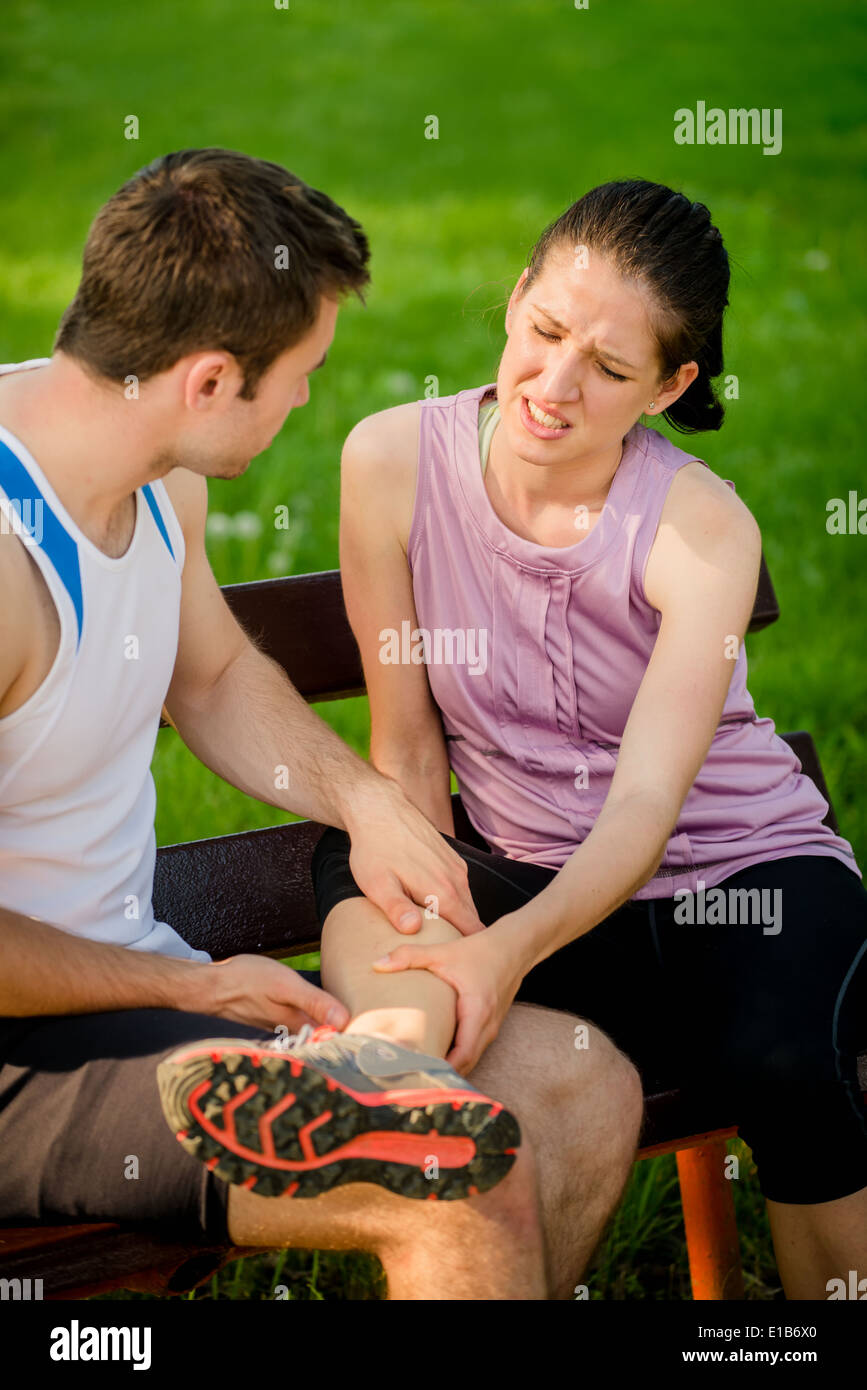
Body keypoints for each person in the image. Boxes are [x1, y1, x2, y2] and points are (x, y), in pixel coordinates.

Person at [0, 148, 642, 1301]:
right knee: (449, 1168)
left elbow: (210, 680)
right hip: (24, 1062)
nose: (305, 400)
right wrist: (195, 991)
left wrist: (366, 802)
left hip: (140, 1001)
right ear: (209, 380)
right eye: (299, 375)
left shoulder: (156, 472)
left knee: (582, 1088)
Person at [295, 178, 866, 1301]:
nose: (554, 387)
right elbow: (407, 747)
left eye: (607, 368)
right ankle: (381, 1075)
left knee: (792, 1066)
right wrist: (438, 907)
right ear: (516, 298)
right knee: (363, 852)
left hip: (731, 877)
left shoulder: (700, 528)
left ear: (669, 386)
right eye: (547, 331)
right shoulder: (391, 460)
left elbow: (647, 807)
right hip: (523, 865)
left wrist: (504, 953)